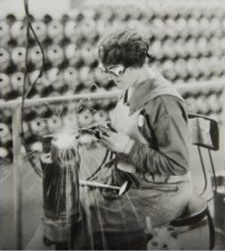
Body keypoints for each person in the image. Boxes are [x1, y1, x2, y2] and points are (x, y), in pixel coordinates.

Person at [76, 26, 193, 250]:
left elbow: (177, 165)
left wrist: (128, 147)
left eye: (115, 71)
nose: (110, 77)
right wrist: (108, 133)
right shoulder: (129, 86)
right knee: (75, 207)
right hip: (130, 179)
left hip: (160, 192)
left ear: (138, 63)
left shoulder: (164, 102)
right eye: (105, 70)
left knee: (90, 226)